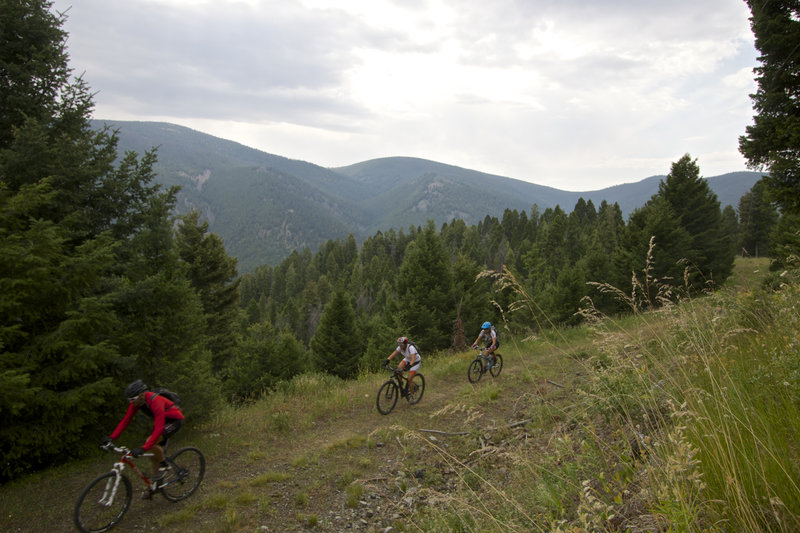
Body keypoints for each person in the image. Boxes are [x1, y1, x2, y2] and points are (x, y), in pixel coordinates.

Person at [102, 379, 184, 491]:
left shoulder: (156, 401)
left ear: (141, 395)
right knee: (154, 458)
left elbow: (159, 428)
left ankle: (165, 465)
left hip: (174, 421)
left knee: (149, 442)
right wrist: (112, 437)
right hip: (163, 422)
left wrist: (143, 448)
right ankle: (154, 487)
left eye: (133, 399)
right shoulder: (137, 403)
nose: (131, 402)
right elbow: (126, 420)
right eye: (129, 400)